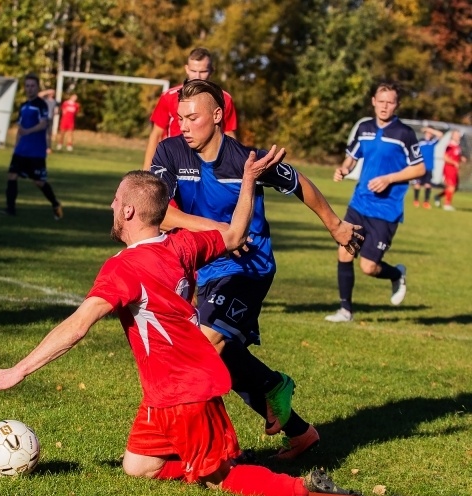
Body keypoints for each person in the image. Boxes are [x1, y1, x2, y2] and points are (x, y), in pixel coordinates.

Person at [0, 168, 357, 496]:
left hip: (182, 392)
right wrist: (248, 182)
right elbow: (236, 234)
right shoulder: (182, 244)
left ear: (128, 211)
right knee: (138, 466)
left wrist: (19, 370)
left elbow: (77, 326)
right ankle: (208, 460)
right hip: (165, 389)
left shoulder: (123, 268)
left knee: (221, 479)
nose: (110, 205)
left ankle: (312, 492)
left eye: (115, 199)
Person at [150, 79, 361, 460]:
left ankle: (196, 447)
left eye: (193, 118)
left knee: (205, 345)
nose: (184, 126)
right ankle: (298, 429)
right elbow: (161, 213)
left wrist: (335, 225)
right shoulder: (170, 151)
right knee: (225, 354)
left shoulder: (246, 160)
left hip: (249, 267)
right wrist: (223, 232)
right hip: (206, 268)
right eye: (180, 118)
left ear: (217, 116)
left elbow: (299, 183)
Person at [326, 81, 425, 322]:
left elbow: (419, 168)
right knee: (344, 253)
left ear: (397, 105)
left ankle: (396, 275)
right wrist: (344, 169)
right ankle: (345, 311)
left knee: (368, 267)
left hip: (386, 209)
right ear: (373, 101)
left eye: (390, 102)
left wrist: (389, 179)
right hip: (359, 203)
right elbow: (351, 157)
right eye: (381, 101)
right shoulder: (364, 128)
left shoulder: (404, 133)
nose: (384, 106)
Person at [142, 47, 238, 170]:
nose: (197, 76)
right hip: (174, 161)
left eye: (203, 71)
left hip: (209, 164)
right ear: (187, 69)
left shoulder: (225, 99)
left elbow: (229, 133)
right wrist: (147, 170)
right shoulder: (169, 97)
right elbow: (156, 134)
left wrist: (235, 166)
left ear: (212, 70)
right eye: (193, 70)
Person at [2, 74, 63, 220]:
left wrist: (28, 131)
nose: (29, 89)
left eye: (32, 86)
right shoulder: (23, 106)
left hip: (36, 151)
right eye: (27, 86)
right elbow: (20, 128)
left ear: (37, 88)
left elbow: (43, 124)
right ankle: (10, 209)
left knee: (39, 182)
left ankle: (55, 204)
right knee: (12, 175)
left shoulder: (41, 105)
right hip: (21, 150)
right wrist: (16, 146)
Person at [434, 130, 466, 211]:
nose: (458, 136)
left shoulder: (457, 145)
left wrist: (461, 158)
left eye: (459, 135)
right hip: (449, 168)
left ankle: (438, 196)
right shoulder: (449, 145)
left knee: (455, 188)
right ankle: (447, 204)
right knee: (451, 186)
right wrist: (454, 162)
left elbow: (455, 155)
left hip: (455, 169)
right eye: (457, 135)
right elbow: (445, 157)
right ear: (453, 136)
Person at [412, 126, 443, 208]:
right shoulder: (420, 141)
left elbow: (440, 135)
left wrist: (429, 129)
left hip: (429, 166)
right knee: (417, 183)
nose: (429, 134)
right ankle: (416, 200)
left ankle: (426, 202)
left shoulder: (432, 141)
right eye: (428, 132)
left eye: (430, 132)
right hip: (420, 165)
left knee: (428, 184)